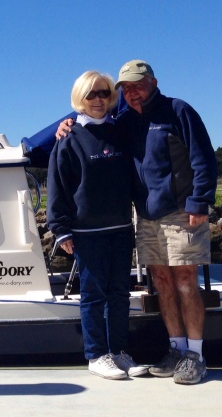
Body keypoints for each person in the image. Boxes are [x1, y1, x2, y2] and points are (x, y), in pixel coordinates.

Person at [57, 60, 217, 385]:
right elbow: (81, 131)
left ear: (153, 82)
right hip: (145, 217)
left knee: (186, 282)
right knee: (162, 283)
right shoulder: (122, 120)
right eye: (125, 88)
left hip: (182, 213)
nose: (132, 92)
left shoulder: (178, 110)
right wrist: (63, 124)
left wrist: (200, 202)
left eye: (138, 85)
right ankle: (176, 349)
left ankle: (196, 356)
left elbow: (204, 158)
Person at [47, 70, 147, 380]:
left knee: (119, 294)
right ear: (80, 98)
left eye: (104, 93)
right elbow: (58, 186)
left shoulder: (120, 132)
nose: (98, 100)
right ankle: (96, 355)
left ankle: (118, 351)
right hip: (86, 233)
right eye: (91, 94)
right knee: (92, 295)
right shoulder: (69, 137)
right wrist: (60, 228)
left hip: (119, 229)